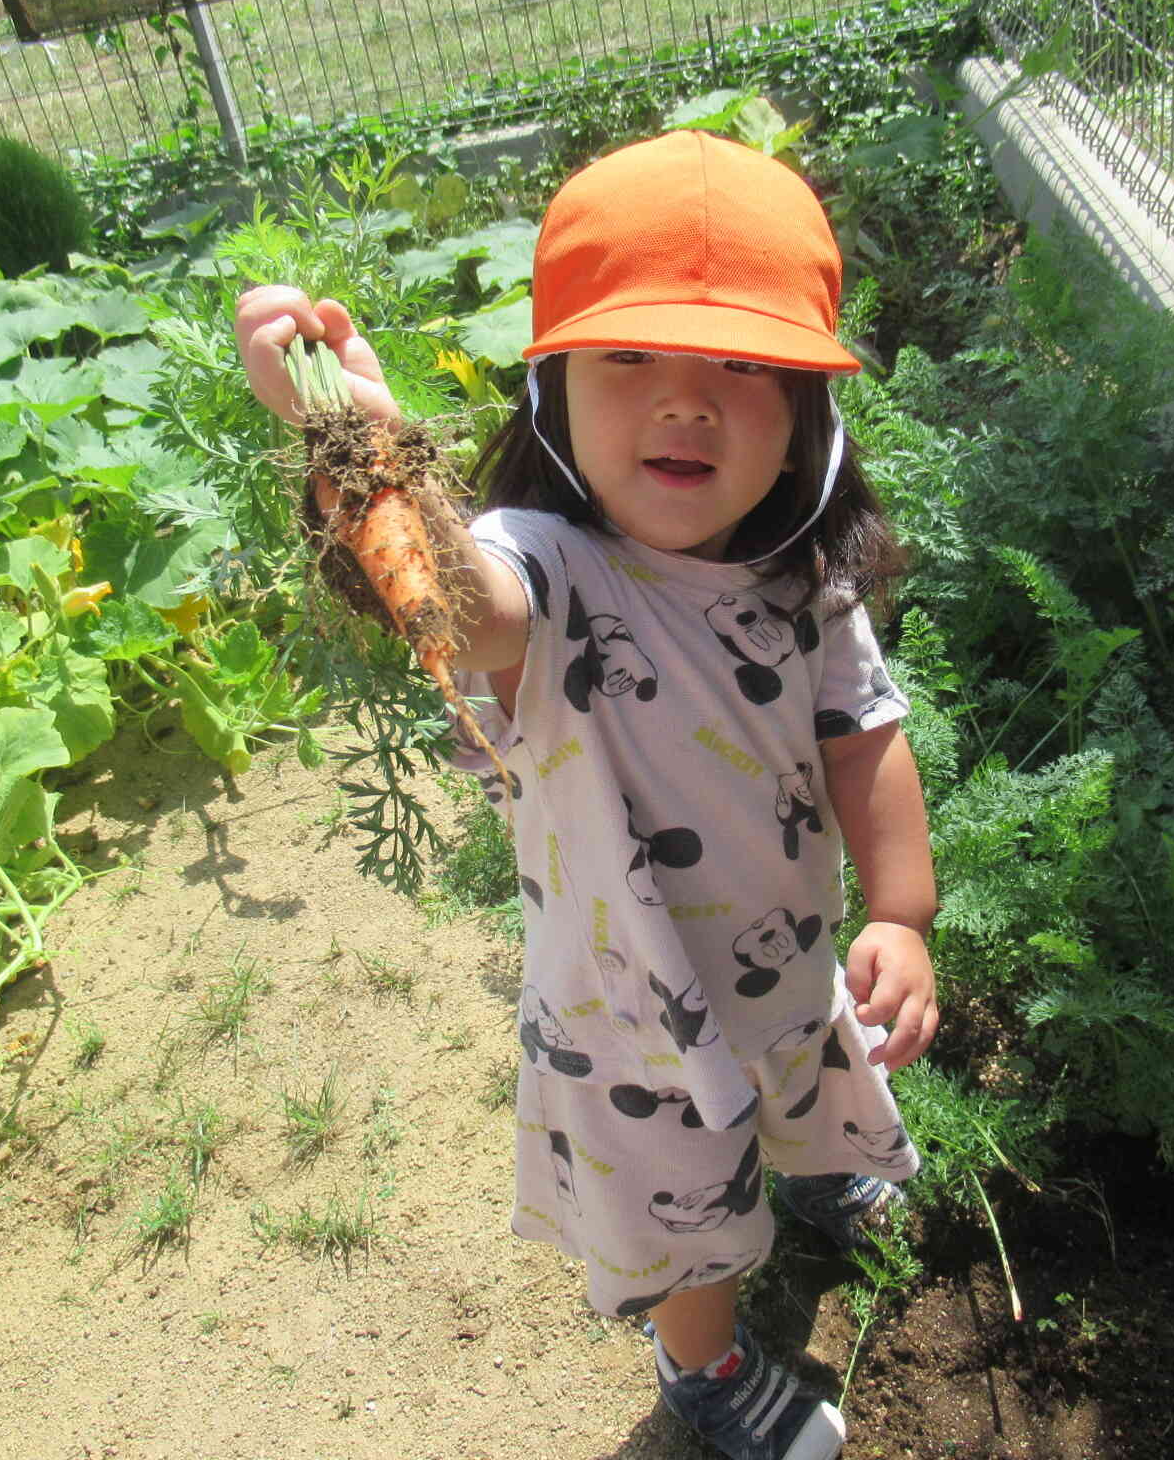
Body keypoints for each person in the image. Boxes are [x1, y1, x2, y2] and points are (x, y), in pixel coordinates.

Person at [236, 129, 938, 1460]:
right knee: (688, 1216)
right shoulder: (546, 571)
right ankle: (711, 1371)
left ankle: (814, 1165)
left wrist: (900, 913)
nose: (687, 402)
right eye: (632, 359)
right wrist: (362, 442)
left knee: (799, 1070)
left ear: (806, 421)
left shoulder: (804, 576)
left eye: (742, 367)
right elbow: (447, 596)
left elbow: (862, 738)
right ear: (553, 390)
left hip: (783, 958)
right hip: (635, 1018)